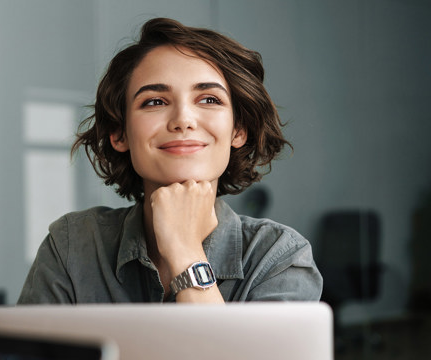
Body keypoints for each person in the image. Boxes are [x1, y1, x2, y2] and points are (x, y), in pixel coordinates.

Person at [18, 17, 322, 304]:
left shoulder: (279, 257)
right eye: (154, 102)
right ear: (119, 133)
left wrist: (185, 251)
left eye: (209, 99)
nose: (183, 120)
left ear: (238, 130)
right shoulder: (71, 246)